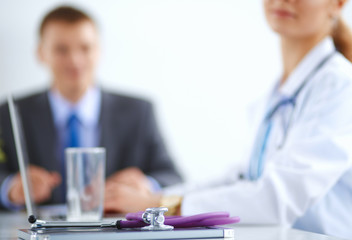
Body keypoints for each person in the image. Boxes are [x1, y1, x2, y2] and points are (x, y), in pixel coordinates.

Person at [105, 0, 352, 238]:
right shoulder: (279, 91)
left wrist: (158, 204)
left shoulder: (340, 84)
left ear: (338, 3)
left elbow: (278, 198)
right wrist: (155, 192)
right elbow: (243, 178)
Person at [0, 6, 182, 211]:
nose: (75, 60)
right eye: (61, 49)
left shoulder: (138, 112)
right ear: (41, 53)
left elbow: (173, 177)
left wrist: (146, 185)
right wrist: (9, 188)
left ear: (99, 51)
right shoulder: (10, 113)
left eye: (85, 48)